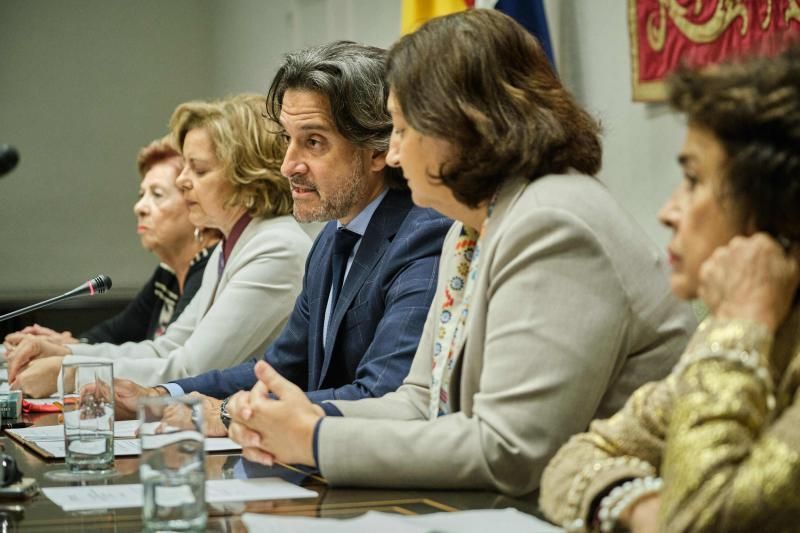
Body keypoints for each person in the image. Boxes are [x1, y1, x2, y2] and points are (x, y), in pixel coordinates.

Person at [224, 10, 695, 496]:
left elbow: (511, 449)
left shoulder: (552, 224)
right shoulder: (471, 228)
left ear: (464, 130)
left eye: (404, 130)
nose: (395, 154)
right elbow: (419, 401)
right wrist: (297, 419)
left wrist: (317, 440)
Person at [110, 41, 452, 433]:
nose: (288, 165)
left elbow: (381, 395)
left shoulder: (422, 235)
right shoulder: (330, 240)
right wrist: (161, 396)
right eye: (287, 138)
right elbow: (279, 372)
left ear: (377, 150)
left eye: (313, 141)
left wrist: (228, 413)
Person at [540, 47, 800, 532]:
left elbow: (702, 522)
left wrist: (739, 327)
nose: (667, 210)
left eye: (693, 179)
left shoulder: (736, 322)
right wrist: (642, 509)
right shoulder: (738, 318)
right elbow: (576, 457)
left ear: (776, 207)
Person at [7, 94, 311, 397]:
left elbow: (190, 368)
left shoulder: (275, 248)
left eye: (199, 169)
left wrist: (70, 372)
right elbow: (166, 347)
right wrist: (69, 355)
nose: (182, 181)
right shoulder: (232, 245)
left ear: (249, 177)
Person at [3, 135, 218, 348]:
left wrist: (68, 354)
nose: (140, 207)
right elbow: (116, 332)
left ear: (194, 202)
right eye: (141, 194)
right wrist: (69, 346)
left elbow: (168, 358)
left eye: (157, 195)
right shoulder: (168, 274)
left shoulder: (210, 271)